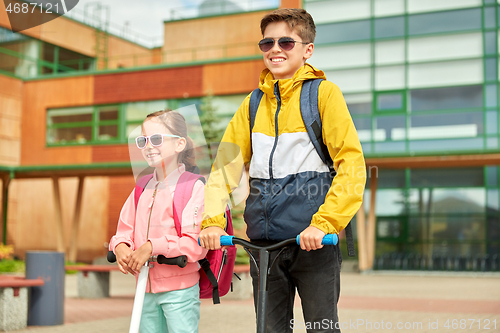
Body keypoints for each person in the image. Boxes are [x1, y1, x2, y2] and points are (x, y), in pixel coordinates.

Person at [199, 8, 366, 333]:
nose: (275, 49)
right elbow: (223, 170)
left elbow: (352, 165)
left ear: (307, 49)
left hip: (314, 242)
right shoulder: (251, 105)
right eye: (267, 42)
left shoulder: (323, 95)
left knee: (322, 329)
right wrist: (213, 222)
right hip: (264, 247)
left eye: (286, 41)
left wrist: (324, 223)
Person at [109, 110, 207, 333]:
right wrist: (121, 246)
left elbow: (195, 244)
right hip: (145, 287)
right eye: (143, 140)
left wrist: (152, 246)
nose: (148, 146)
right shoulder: (142, 187)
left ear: (179, 144)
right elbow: (124, 230)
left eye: (156, 139)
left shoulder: (193, 187)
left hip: (180, 289)